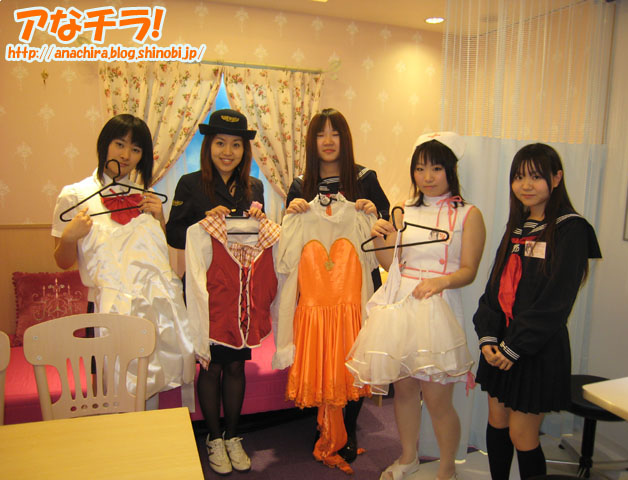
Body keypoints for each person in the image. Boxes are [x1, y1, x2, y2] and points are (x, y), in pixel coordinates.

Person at [347, 132, 486, 480]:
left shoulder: (468, 215)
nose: (427, 177)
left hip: (438, 306)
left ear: (450, 170)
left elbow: (469, 270)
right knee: (405, 391)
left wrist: (441, 282)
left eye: (436, 168)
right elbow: (390, 263)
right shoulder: (403, 210)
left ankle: (446, 467)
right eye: (420, 168)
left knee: (438, 400)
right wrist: (380, 237)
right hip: (402, 304)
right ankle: (408, 457)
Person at [472, 143, 601, 480]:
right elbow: (494, 289)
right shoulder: (518, 225)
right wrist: (489, 338)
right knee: (497, 422)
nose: (525, 185)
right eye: (518, 177)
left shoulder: (572, 229)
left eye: (535, 176)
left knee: (522, 435)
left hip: (536, 348)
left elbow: (555, 302)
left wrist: (513, 347)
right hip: (501, 345)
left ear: (556, 178)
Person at [51, 113, 195, 411]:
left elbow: (158, 259)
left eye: (135, 149)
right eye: (119, 144)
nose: (126, 155)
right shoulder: (75, 196)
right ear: (105, 144)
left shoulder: (147, 198)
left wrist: (160, 218)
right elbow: (62, 262)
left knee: (150, 384)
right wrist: (69, 237)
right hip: (104, 310)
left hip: (150, 308)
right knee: (108, 392)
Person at [284, 107, 390, 463]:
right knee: (323, 353)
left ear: (345, 139)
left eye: (335, 133)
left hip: (357, 285)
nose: (328, 141)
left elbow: (387, 230)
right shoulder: (300, 184)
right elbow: (289, 239)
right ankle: (326, 424)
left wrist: (374, 214)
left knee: (354, 354)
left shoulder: (365, 179)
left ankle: (348, 426)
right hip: (317, 287)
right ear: (311, 141)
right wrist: (291, 212)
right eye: (320, 134)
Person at [166, 109, 266, 476]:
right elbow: (174, 235)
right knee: (210, 366)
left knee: (236, 364)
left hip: (239, 292)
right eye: (220, 143)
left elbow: (254, 240)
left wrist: (254, 225)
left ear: (244, 150)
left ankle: (233, 436)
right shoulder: (190, 184)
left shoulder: (254, 187)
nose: (228, 151)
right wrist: (206, 220)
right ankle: (213, 437)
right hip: (204, 291)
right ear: (209, 146)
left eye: (236, 145)